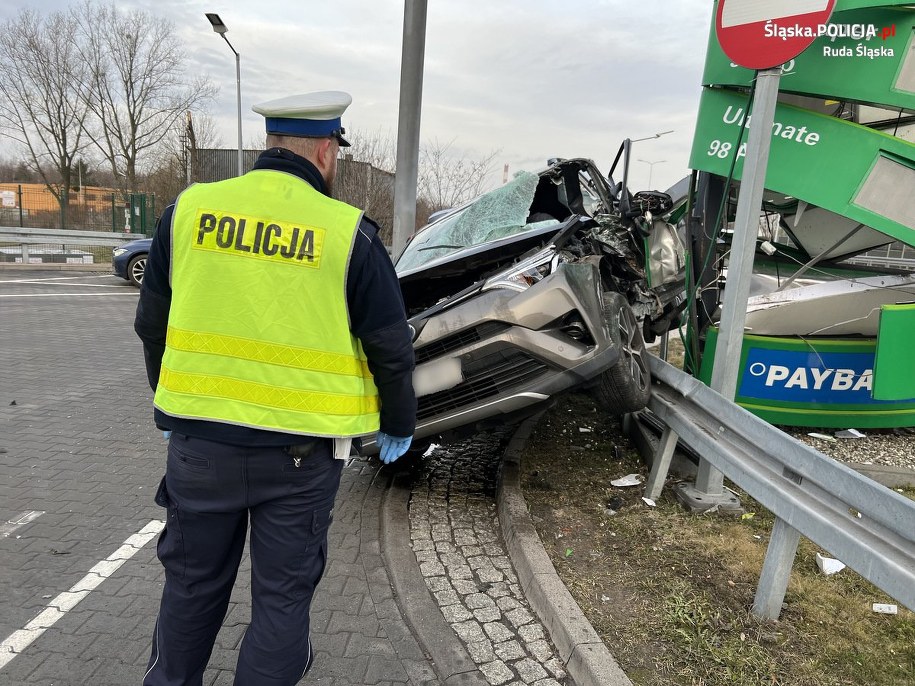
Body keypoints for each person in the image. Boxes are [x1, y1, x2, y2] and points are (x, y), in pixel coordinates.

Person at [134, 90, 417, 685]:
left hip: (199, 447)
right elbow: (390, 346)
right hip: (300, 456)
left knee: (189, 585)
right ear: (325, 151)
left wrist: (174, 398)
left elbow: (151, 322)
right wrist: (398, 423)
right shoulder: (347, 233)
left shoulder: (189, 210)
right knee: (282, 600)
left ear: (271, 144)